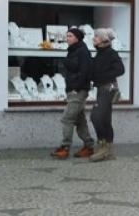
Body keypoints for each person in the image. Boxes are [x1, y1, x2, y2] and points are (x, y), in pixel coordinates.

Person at [51, 27, 96, 159]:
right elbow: (74, 69)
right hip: (73, 89)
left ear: (77, 38)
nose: (67, 38)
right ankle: (89, 146)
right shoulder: (73, 51)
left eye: (70, 36)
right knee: (79, 120)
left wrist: (76, 88)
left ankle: (65, 147)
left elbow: (85, 71)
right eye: (67, 36)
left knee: (67, 118)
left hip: (78, 90)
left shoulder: (82, 52)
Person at [87, 28, 125, 163]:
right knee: (104, 119)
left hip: (108, 88)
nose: (93, 39)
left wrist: (102, 77)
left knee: (96, 116)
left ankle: (104, 147)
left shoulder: (111, 53)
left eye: (96, 37)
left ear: (104, 40)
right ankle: (106, 148)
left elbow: (120, 69)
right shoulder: (100, 54)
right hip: (101, 89)